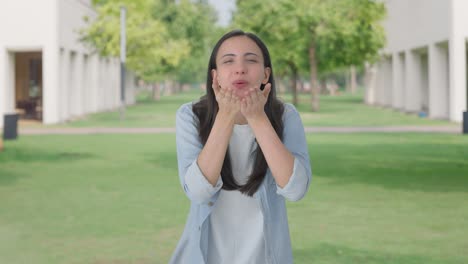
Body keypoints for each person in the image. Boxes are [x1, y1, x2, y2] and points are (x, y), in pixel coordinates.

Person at [170, 29, 312, 264]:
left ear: (266, 74)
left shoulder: (286, 116)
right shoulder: (191, 116)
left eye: (251, 60)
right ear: (214, 76)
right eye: (229, 61)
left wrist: (257, 118)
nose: (240, 68)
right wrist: (226, 116)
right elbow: (197, 191)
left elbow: (296, 190)